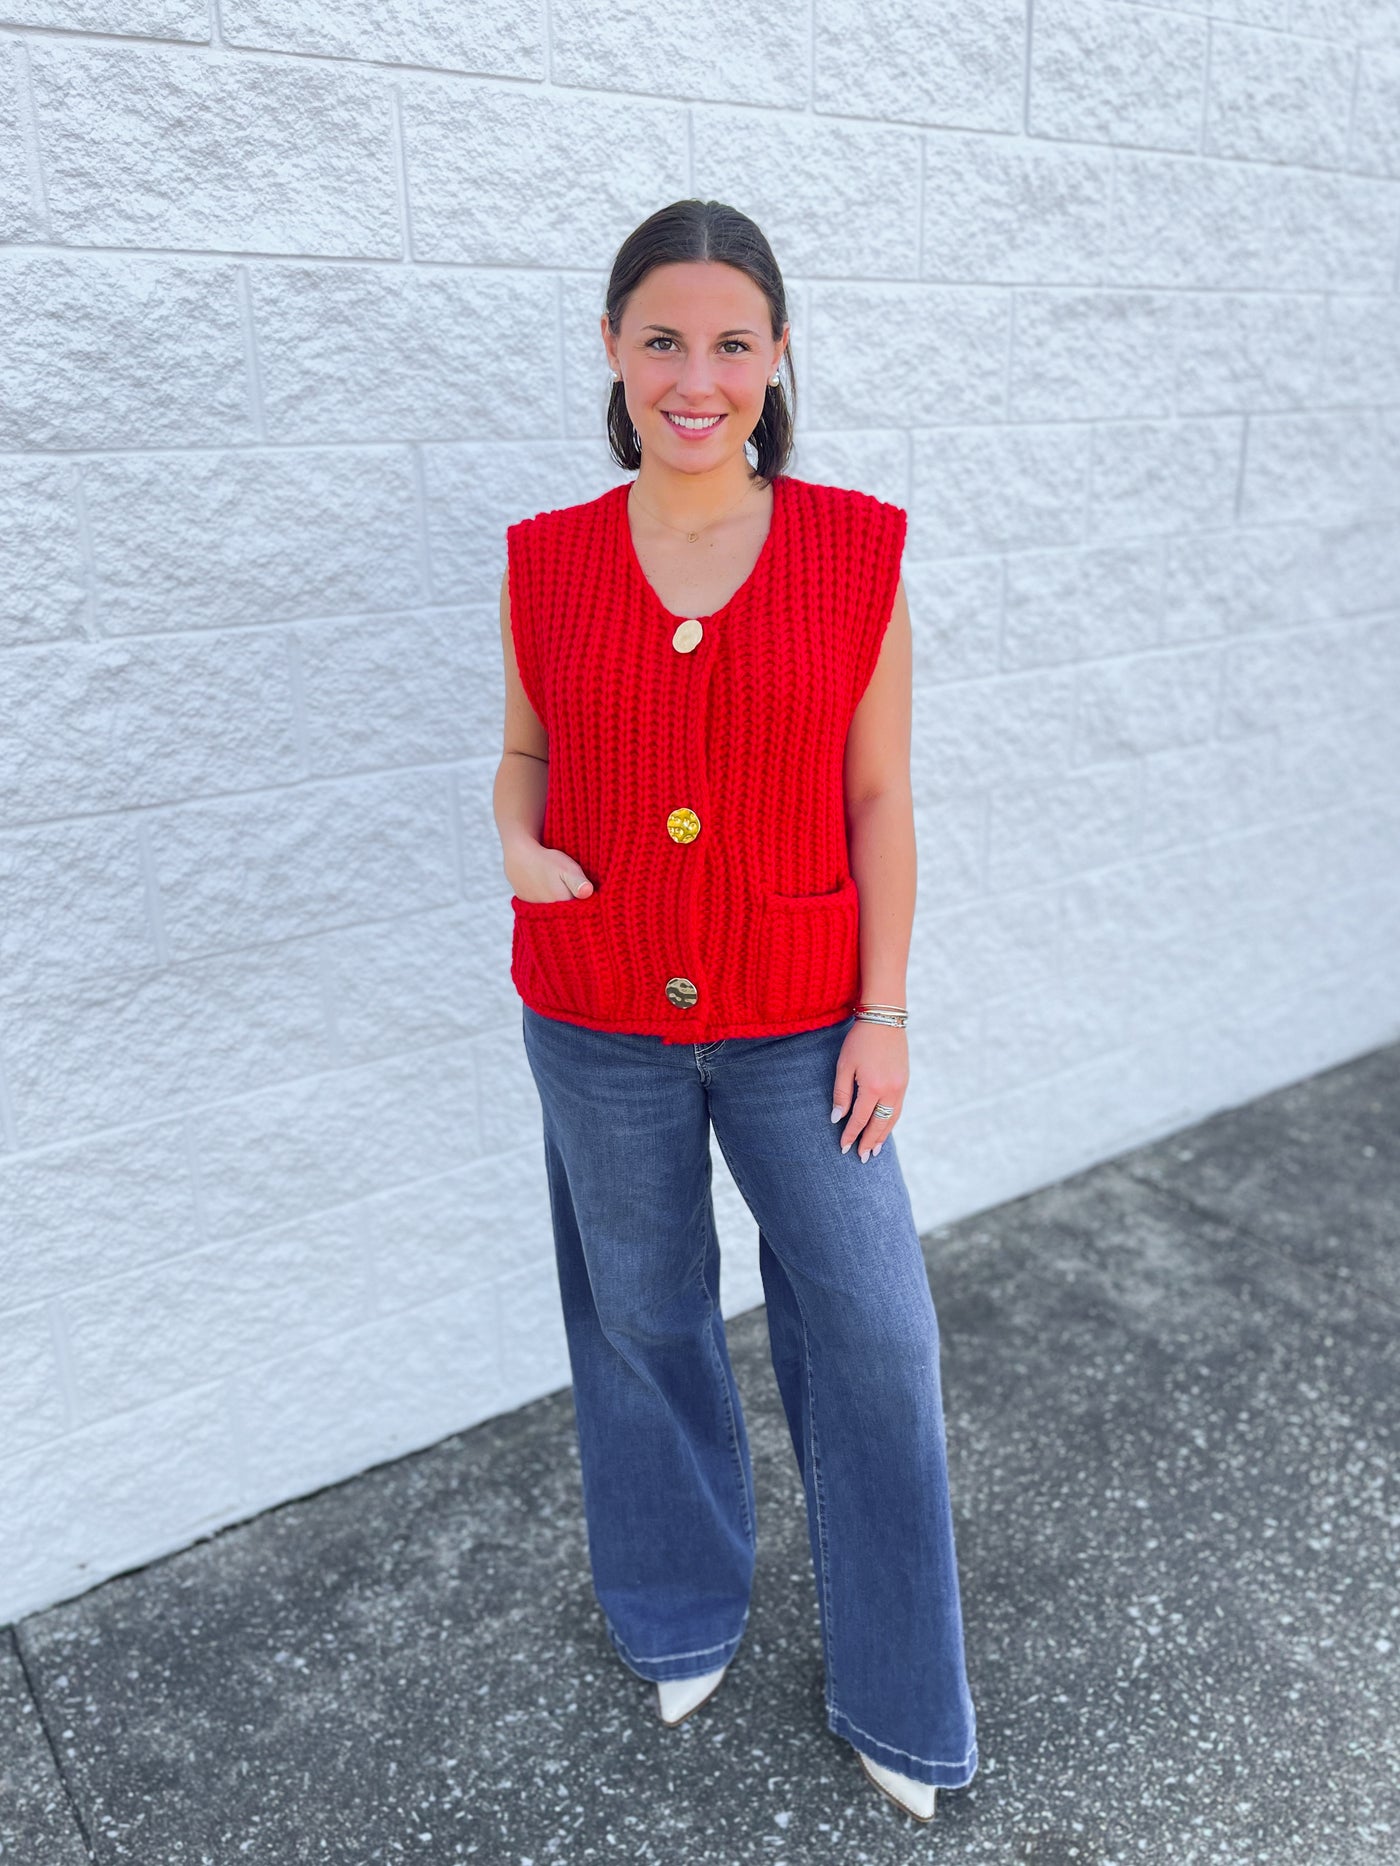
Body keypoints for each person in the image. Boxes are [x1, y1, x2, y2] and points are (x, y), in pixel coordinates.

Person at [492, 198, 977, 1824]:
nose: (694, 377)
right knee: (641, 1317)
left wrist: (884, 1008)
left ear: (775, 358)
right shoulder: (546, 559)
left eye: (729, 343)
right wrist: (515, 840)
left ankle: (902, 1693)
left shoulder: (853, 550)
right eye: (661, 340)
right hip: (598, 1009)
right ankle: (678, 1607)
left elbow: (882, 796)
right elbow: (523, 754)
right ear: (612, 351)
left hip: (801, 1021)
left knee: (876, 1333)